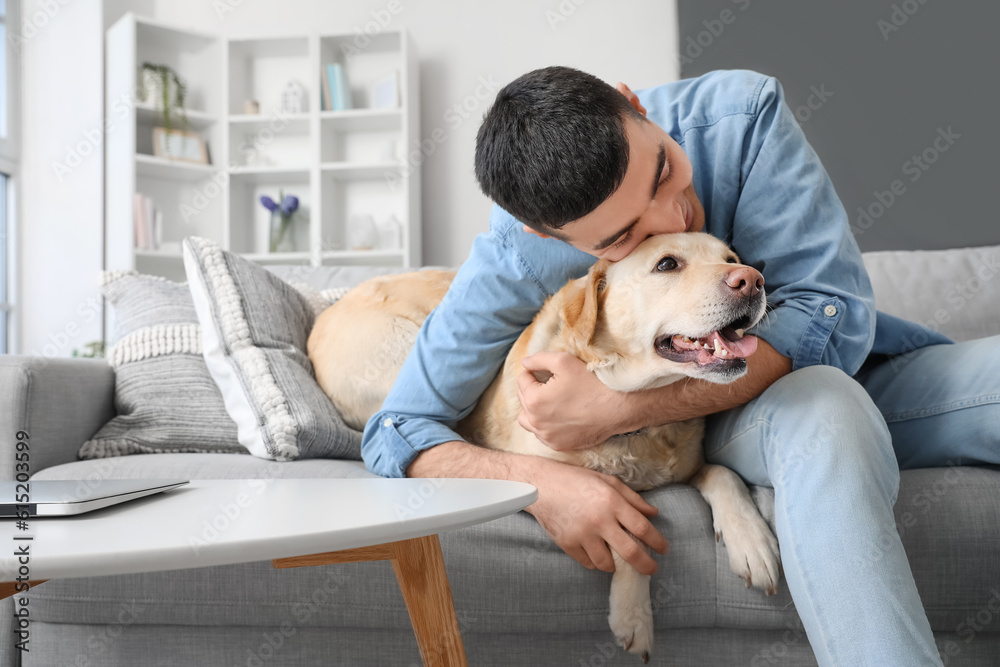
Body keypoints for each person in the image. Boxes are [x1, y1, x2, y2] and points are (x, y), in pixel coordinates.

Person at [361, 66, 999, 666]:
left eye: (663, 171)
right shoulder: (514, 256)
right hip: (751, 422)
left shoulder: (742, 116)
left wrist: (615, 409)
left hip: (870, 371)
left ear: (633, 103)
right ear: (543, 234)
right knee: (825, 407)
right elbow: (399, 430)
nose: (675, 216)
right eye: (623, 238)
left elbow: (831, 315)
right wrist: (542, 486)